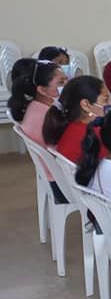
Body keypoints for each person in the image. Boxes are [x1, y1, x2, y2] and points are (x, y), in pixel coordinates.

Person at [8, 58, 69, 201]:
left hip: (54, 177)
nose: (67, 85)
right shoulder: (47, 117)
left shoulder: (36, 107)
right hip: (63, 185)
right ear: (41, 89)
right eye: (61, 82)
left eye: (67, 80)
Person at [42, 75, 110, 163]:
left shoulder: (70, 128)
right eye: (105, 100)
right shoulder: (93, 135)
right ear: (85, 105)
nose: (109, 104)